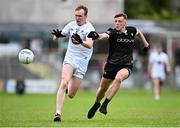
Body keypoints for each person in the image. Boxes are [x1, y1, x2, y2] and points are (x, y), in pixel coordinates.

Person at [87, 13, 150, 119]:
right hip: (111, 65)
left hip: (126, 65)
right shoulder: (112, 32)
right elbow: (104, 35)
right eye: (115, 21)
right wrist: (97, 36)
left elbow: (139, 33)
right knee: (102, 88)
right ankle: (96, 104)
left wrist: (146, 44)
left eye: (119, 21)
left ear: (125, 22)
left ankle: (105, 105)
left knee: (119, 78)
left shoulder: (132, 30)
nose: (117, 23)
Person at [51, 5, 95, 122]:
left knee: (71, 94)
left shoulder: (90, 28)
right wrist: (57, 36)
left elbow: (90, 44)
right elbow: (56, 37)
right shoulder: (71, 25)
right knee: (64, 82)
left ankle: (68, 88)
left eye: (80, 16)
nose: (77, 18)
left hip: (82, 62)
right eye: (76, 15)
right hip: (70, 59)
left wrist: (81, 41)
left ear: (85, 16)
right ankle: (58, 113)